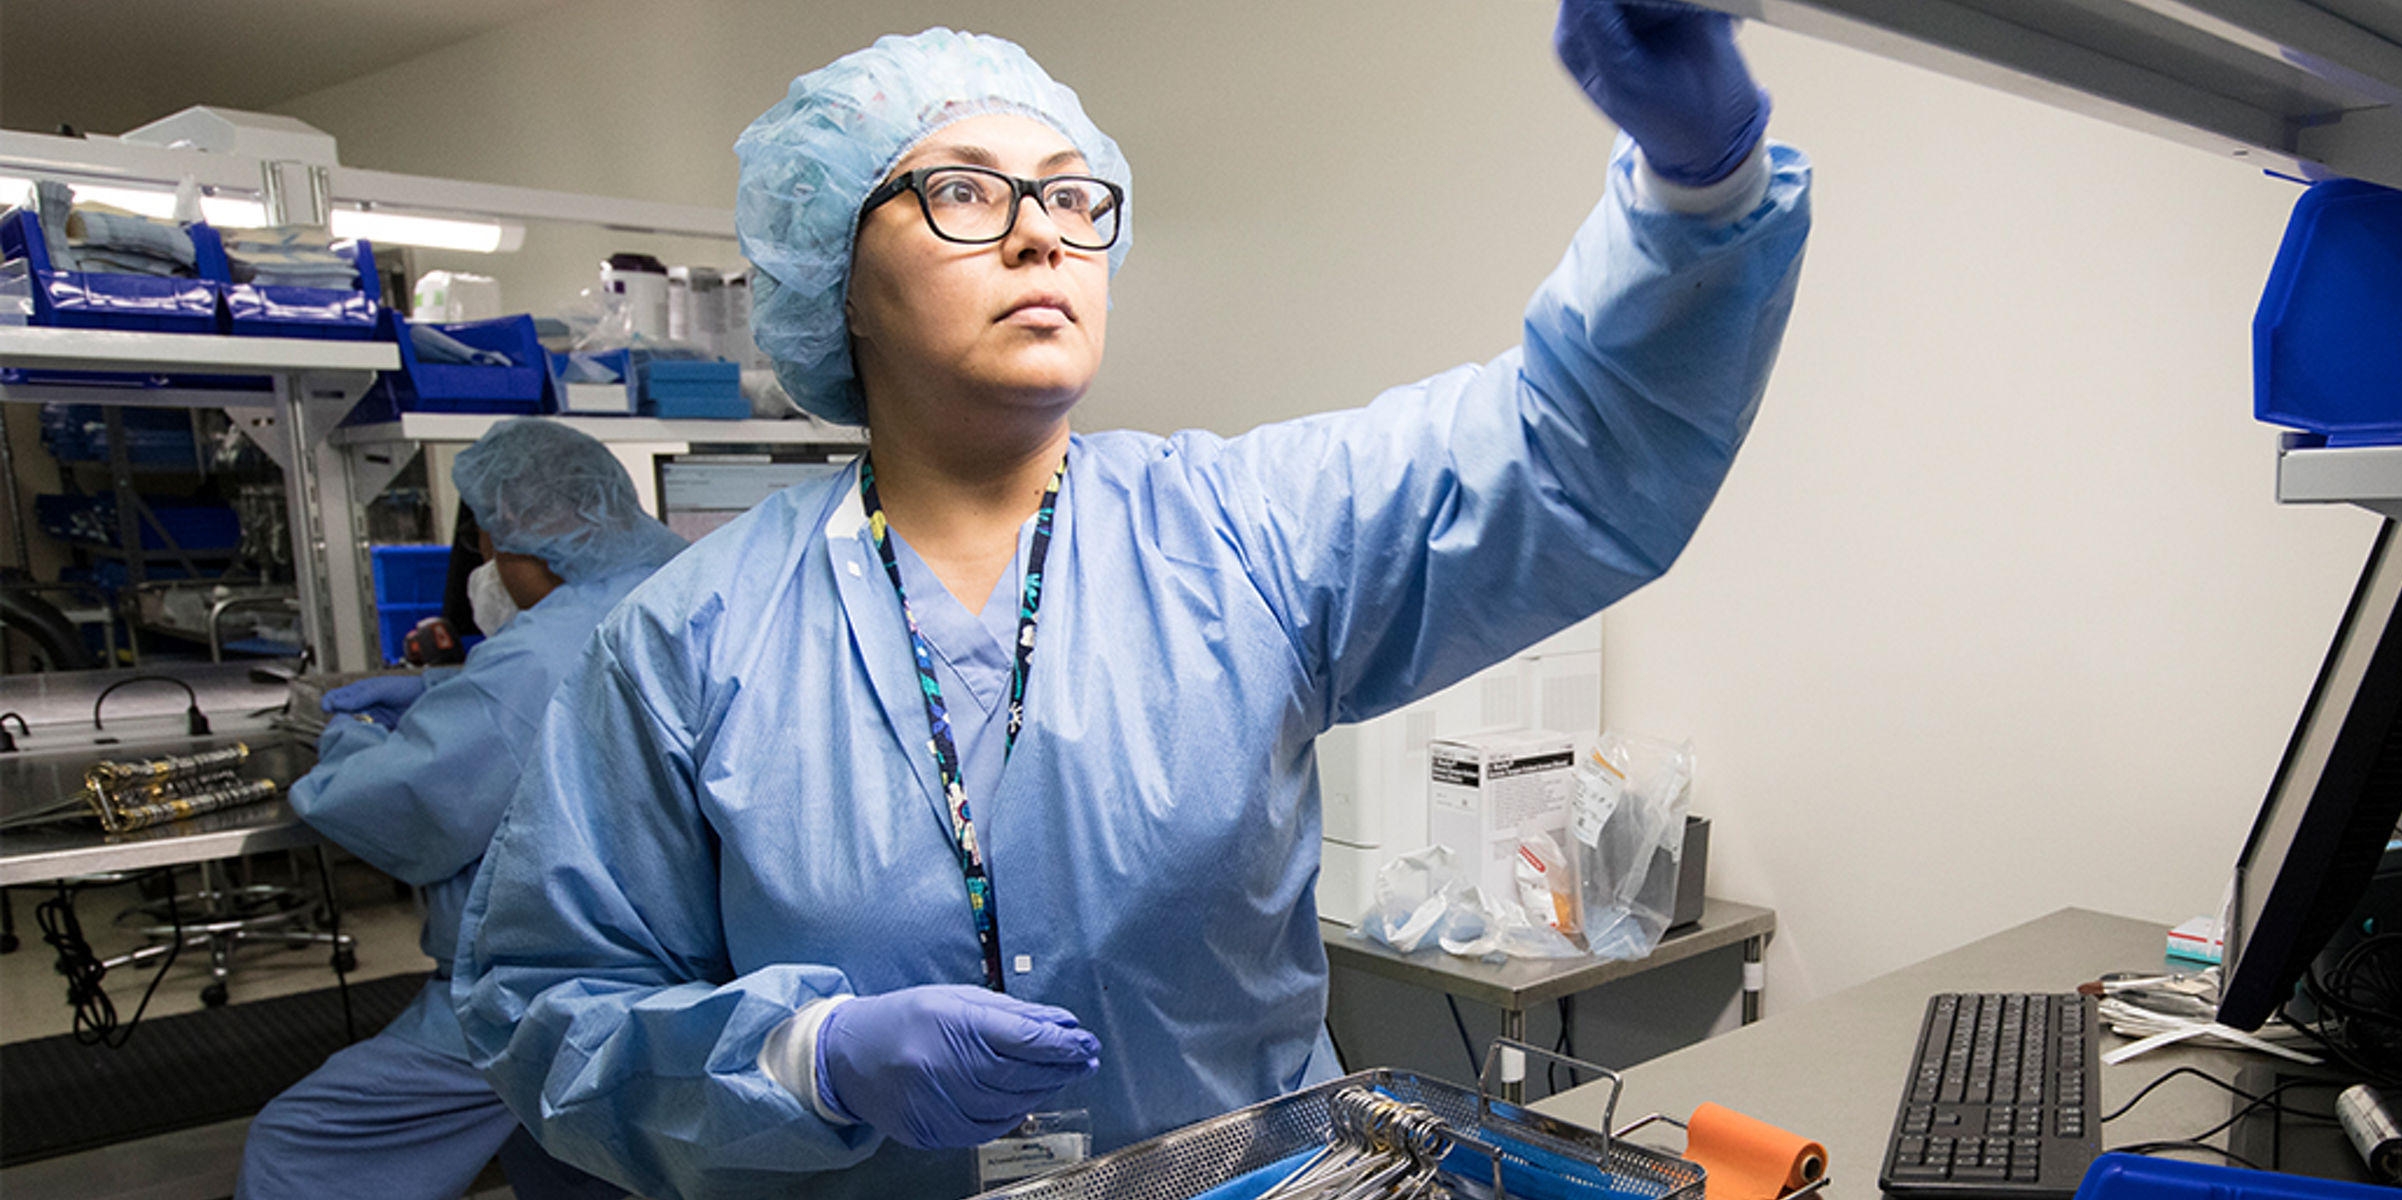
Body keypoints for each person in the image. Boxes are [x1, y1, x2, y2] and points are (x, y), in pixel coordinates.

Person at [457, 4, 1811, 1196]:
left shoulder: (1251, 532)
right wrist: (807, 1062)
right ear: (834, 282)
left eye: (1071, 193)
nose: (1042, 229)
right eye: (968, 195)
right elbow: (542, 1014)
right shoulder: (687, 646)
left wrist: (1703, 184)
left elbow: (1568, 455)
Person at [238, 419, 685, 1199]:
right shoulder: (682, 581)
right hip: (677, 969)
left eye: (488, 544)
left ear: (529, 540)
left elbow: (405, 802)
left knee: (300, 1148)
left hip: (547, 990)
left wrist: (345, 740)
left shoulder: (544, 647)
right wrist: (441, 690)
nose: (486, 566)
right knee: (576, 1160)